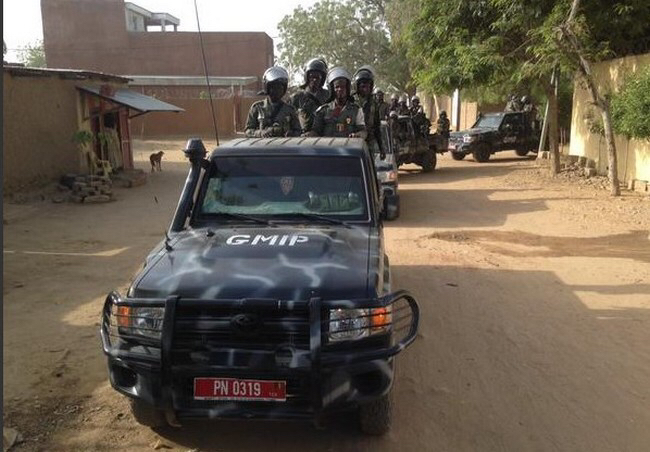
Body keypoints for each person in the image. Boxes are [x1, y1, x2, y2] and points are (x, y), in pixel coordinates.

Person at [308, 67, 366, 139]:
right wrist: (308, 135)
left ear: (347, 88)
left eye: (343, 87)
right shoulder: (323, 110)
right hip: (327, 148)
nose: (340, 89)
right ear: (332, 90)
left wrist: (357, 135)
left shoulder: (356, 110)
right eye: (337, 87)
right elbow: (316, 131)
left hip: (349, 148)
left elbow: (363, 131)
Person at [245, 66, 301, 138]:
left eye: (280, 88)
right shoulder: (257, 108)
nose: (277, 91)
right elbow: (248, 130)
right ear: (267, 88)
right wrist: (260, 133)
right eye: (274, 87)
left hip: (284, 147)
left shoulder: (289, 110)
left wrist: (291, 134)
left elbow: (298, 131)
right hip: (262, 146)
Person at [289, 58, 329, 134]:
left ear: (322, 79)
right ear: (307, 77)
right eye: (311, 77)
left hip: (323, 136)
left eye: (317, 77)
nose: (314, 80)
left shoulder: (327, 96)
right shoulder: (297, 97)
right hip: (302, 137)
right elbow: (289, 118)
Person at [353, 66, 383, 157]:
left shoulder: (374, 104)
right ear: (357, 86)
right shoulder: (351, 101)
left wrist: (382, 148)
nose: (365, 89)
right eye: (363, 86)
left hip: (369, 143)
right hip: (353, 140)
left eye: (368, 86)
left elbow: (377, 127)